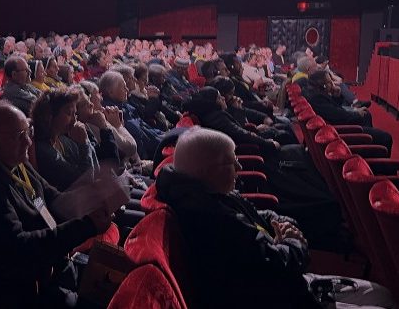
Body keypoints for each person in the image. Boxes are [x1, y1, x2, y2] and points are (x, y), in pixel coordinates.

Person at [155, 127, 393, 309]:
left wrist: (284, 229)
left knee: (384, 294)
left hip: (289, 285)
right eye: (231, 161)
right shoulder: (212, 220)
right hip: (283, 298)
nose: (238, 167)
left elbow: (261, 214)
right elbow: (285, 265)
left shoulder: (212, 195)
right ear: (206, 171)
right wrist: (292, 241)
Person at [0, 102, 113, 309]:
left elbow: (52, 197)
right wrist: (86, 226)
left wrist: (90, 199)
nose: (28, 142)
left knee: (118, 280)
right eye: (19, 136)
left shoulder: (18, 163)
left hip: (53, 263)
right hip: (25, 287)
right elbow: (19, 248)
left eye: (29, 132)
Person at [306, 70, 393, 155]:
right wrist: (356, 113)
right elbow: (339, 116)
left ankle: (366, 144)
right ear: (323, 85)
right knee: (386, 138)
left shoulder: (317, 94)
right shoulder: (317, 98)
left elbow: (335, 110)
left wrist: (337, 96)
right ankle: (374, 158)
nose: (332, 84)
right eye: (329, 82)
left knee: (365, 115)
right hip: (340, 131)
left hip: (337, 125)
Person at [99, 70, 163, 160]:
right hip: (149, 154)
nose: (127, 89)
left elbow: (144, 128)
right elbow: (137, 137)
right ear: (111, 92)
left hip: (155, 140)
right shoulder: (113, 114)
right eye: (123, 87)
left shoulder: (125, 105)